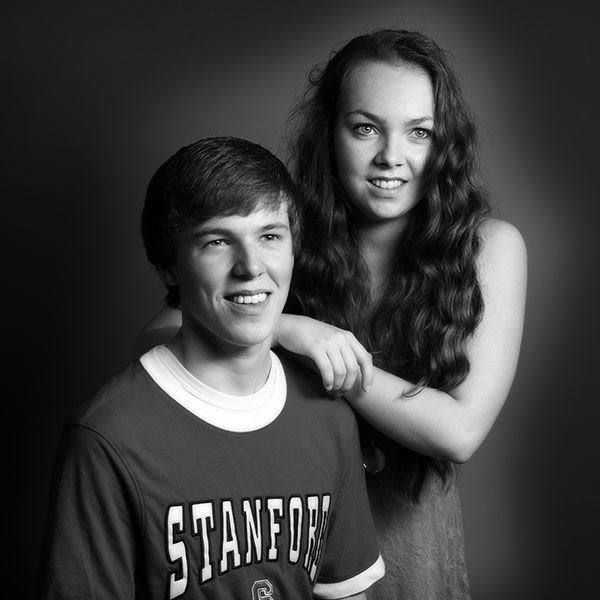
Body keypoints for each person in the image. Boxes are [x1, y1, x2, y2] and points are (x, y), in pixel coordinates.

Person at [137, 29, 527, 600]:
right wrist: (291, 329)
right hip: (289, 541)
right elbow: (157, 338)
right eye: (365, 128)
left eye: (419, 132)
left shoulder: (489, 247)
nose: (391, 156)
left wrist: (337, 361)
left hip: (412, 554)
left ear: (443, 144)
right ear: (330, 134)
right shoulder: (283, 232)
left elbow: (458, 432)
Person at [39, 136, 384, 600]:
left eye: (270, 236)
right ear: (168, 265)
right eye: (218, 241)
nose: (251, 266)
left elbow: (346, 592)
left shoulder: (329, 416)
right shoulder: (107, 437)